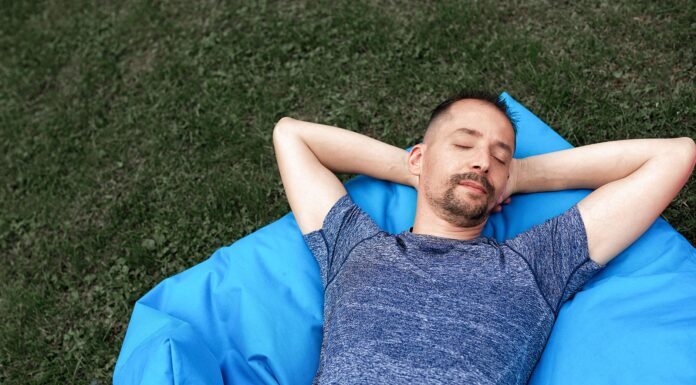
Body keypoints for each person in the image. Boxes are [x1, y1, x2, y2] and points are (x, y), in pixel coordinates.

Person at [272, 90, 696, 385]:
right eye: (463, 145)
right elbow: (292, 135)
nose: (482, 163)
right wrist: (416, 170)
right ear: (419, 155)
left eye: (499, 156)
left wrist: (522, 174)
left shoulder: (534, 263)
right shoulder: (354, 245)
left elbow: (675, 155)